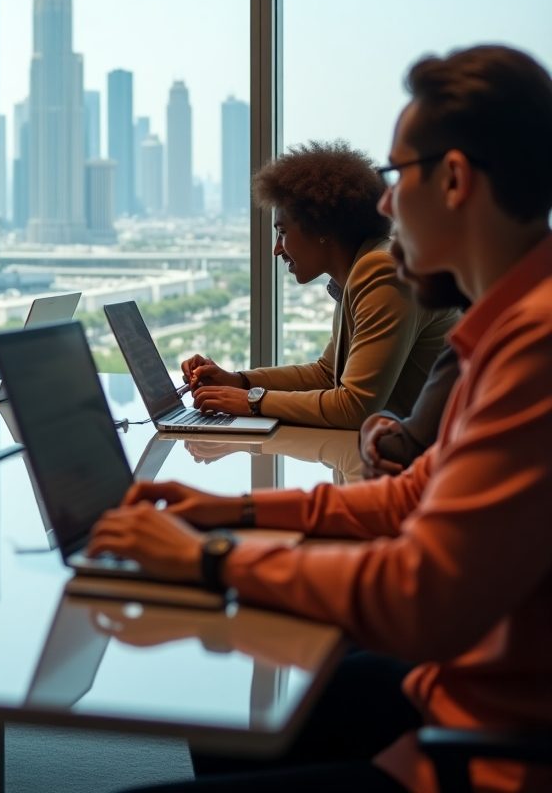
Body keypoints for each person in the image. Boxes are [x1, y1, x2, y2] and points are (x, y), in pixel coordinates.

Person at [92, 45, 552, 792]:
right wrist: (226, 511)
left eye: (399, 175)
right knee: (240, 716)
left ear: (457, 179)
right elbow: (407, 497)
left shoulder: (536, 346)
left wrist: (209, 559)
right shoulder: (508, 328)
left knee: (248, 689)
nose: (384, 202)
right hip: (459, 694)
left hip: (488, 750)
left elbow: (419, 594)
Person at [180, 141, 459, 429]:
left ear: (322, 227)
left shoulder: (379, 270)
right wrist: (238, 381)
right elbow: (327, 374)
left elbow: (354, 407)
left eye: (283, 232)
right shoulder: (362, 267)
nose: (277, 249)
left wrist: (251, 401)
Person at [359, 239, 469, 477]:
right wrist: (379, 422)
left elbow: (404, 455)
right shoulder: (477, 329)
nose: (384, 205)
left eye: (396, 197)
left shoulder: (528, 338)